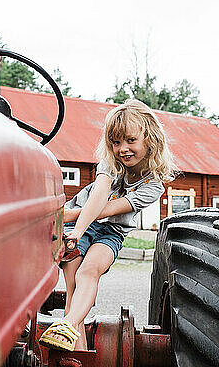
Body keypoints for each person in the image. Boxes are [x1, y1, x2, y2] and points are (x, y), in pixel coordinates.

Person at [39, 99, 177, 352]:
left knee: (88, 273)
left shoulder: (153, 186)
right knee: (72, 287)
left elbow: (110, 209)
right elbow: (99, 193)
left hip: (109, 231)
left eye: (130, 140)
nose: (122, 149)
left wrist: (68, 218)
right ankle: (72, 343)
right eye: (115, 142)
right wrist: (78, 230)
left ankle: (67, 323)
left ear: (150, 139)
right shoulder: (110, 164)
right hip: (82, 225)